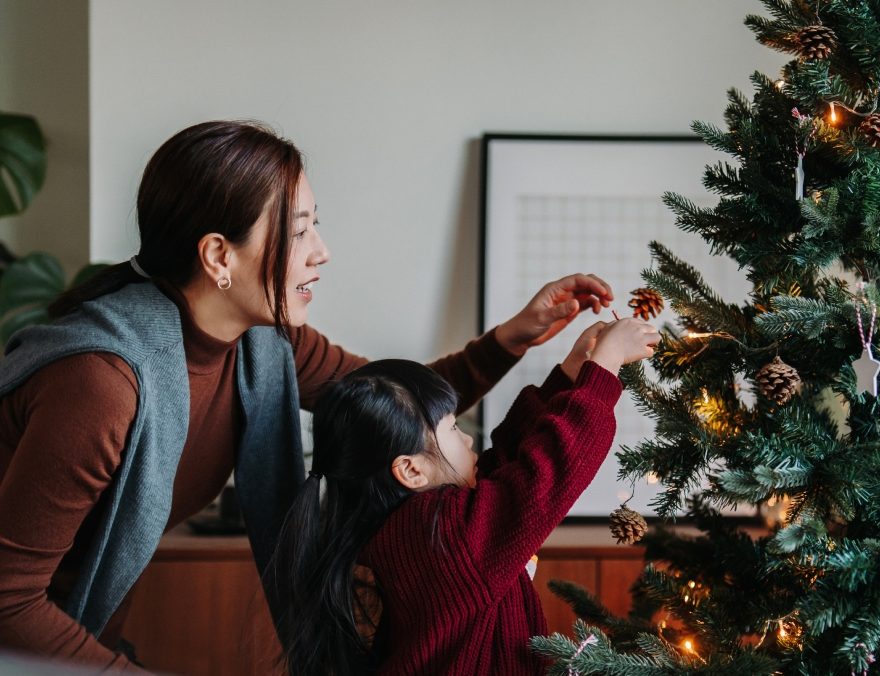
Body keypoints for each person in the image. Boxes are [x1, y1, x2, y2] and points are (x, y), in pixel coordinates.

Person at [0, 120, 616, 670]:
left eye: (315, 227)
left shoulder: (266, 343)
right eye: (299, 232)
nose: (321, 252)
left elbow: (397, 410)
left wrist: (515, 335)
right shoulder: (101, 384)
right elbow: (9, 600)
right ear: (219, 255)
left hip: (76, 637)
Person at [267, 316, 659, 675]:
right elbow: (548, 472)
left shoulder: (417, 524)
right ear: (411, 470)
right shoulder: (447, 533)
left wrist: (571, 375)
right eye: (453, 429)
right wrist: (604, 366)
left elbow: (503, 470)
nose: (468, 438)